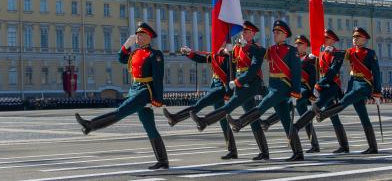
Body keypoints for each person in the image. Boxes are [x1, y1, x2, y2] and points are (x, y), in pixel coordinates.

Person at [75, 22, 169, 169]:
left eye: (141, 35)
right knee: (149, 126)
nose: (137, 37)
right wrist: (126, 45)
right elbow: (120, 58)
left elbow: (158, 77)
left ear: (148, 37)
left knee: (121, 111)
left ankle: (90, 125)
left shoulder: (155, 54)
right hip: (134, 89)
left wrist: (158, 100)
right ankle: (163, 160)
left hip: (145, 91)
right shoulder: (135, 53)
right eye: (137, 35)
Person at [190, 21, 270, 161]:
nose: (243, 34)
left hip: (251, 83)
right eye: (242, 32)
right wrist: (223, 51)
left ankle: (205, 121)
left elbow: (253, 70)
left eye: (246, 32)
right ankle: (264, 152)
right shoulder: (237, 48)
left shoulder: (257, 49)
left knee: (229, 106)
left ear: (252, 34)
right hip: (239, 84)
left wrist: (238, 81)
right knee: (253, 118)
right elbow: (227, 60)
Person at [226, 20, 304, 161]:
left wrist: (295, 92)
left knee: (261, 107)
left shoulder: (292, 51)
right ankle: (298, 152)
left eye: (278, 32)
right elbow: (258, 51)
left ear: (285, 34)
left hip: (282, 87)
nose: (275, 34)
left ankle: (239, 122)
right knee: (286, 121)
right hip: (273, 86)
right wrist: (246, 45)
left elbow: (297, 73)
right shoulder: (271, 49)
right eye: (274, 32)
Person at [163, 44, 237, 159]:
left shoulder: (229, 56)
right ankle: (232, 150)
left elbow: (232, 73)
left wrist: (228, 91)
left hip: (221, 88)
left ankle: (175, 118)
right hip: (214, 85)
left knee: (200, 103)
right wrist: (189, 53)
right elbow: (201, 59)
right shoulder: (215, 55)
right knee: (222, 119)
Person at [316, 27, 381, 154]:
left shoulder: (370, 53)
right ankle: (373, 147)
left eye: (358, 37)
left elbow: (376, 73)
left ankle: (324, 114)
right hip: (353, 83)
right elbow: (339, 54)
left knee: (345, 100)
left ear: (364, 39)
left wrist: (377, 92)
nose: (355, 39)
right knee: (363, 115)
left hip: (363, 85)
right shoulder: (350, 51)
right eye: (353, 37)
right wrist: (329, 51)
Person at [260, 35, 320, 153]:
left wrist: (313, 93)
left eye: (300, 44)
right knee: (305, 118)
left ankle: (268, 122)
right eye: (296, 44)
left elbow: (313, 77)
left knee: (287, 106)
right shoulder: (292, 56)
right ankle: (315, 145)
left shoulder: (310, 59)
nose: (297, 45)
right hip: (295, 88)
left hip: (304, 89)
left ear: (306, 46)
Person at [292, 29, 349, 154]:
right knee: (334, 116)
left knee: (316, 107)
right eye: (324, 38)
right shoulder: (320, 53)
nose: (324, 40)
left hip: (332, 85)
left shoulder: (337, 53)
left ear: (333, 41)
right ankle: (344, 145)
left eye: (327, 38)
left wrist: (319, 84)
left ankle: (296, 126)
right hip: (323, 86)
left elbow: (332, 72)